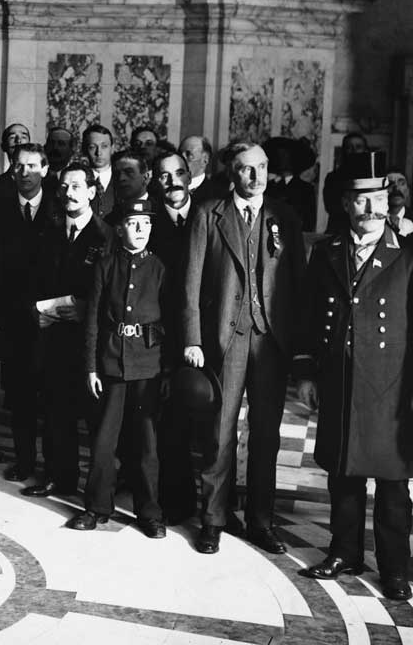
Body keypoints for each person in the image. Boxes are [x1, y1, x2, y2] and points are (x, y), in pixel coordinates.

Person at [296, 153, 413, 601]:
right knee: (342, 474)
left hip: (389, 385)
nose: (372, 209)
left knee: (391, 483)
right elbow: (308, 317)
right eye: (363, 200)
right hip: (339, 380)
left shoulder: (405, 256)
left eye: (379, 199)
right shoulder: (326, 252)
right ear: (346, 203)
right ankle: (345, 551)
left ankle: (395, 568)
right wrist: (306, 372)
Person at [182, 141, 305, 555]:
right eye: (246, 170)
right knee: (220, 432)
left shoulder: (284, 217)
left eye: (261, 168)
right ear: (232, 174)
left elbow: (297, 285)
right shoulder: (208, 214)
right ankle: (214, 519)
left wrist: (298, 346)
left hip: (270, 340)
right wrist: (193, 339)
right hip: (225, 337)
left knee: (266, 435)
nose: (256, 177)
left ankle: (261, 521)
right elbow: (191, 283)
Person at [68, 199, 166, 539]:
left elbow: (170, 322)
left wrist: (163, 369)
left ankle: (150, 512)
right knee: (104, 441)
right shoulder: (105, 265)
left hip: (147, 366)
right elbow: (92, 318)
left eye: (146, 224)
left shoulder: (159, 268)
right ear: (120, 228)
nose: (140, 230)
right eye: (133, 223)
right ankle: (96, 507)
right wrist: (91, 367)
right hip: (111, 363)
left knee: (146, 444)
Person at [22, 161, 113, 498]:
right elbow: (35, 283)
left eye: (76, 186)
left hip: (92, 343)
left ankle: (98, 489)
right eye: (63, 186)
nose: (68, 193)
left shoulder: (106, 237)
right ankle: (59, 477)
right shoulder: (49, 233)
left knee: (94, 417)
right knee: (56, 411)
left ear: (92, 191)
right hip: (54, 337)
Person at [0, 143, 57, 481]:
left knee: (54, 397)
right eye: (19, 166)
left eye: (32, 166)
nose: (25, 172)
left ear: (45, 169)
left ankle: (57, 468)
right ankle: (26, 461)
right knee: (19, 394)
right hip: (14, 318)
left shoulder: (59, 207)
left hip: (53, 321)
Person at [149, 151, 199, 522]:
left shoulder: (209, 216)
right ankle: (174, 502)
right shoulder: (148, 222)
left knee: (212, 423)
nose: (173, 182)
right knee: (167, 420)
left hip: (203, 336)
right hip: (161, 337)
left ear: (191, 174)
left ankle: (218, 505)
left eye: (179, 173)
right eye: (164, 176)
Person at [263, 136, 316, 232]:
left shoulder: (306, 190)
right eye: (279, 154)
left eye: (286, 155)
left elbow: (309, 222)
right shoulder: (266, 187)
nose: (282, 159)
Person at [323, 132, 368, 235]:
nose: (354, 151)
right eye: (349, 147)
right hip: (338, 231)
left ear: (365, 150)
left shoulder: (372, 179)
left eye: (358, 147)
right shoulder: (333, 178)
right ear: (344, 151)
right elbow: (332, 208)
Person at [82, 124, 115, 217]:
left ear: (112, 148)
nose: (98, 153)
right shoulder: (79, 180)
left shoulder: (121, 179)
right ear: (84, 149)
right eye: (92, 147)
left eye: (104, 146)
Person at [180, 135, 220, 204]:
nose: (181, 159)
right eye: (179, 154)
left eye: (188, 154)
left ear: (205, 160)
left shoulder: (217, 196)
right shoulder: (164, 189)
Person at [386, 169, 413, 236]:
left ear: (408, 191)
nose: (396, 188)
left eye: (401, 183)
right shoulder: (374, 220)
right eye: (390, 184)